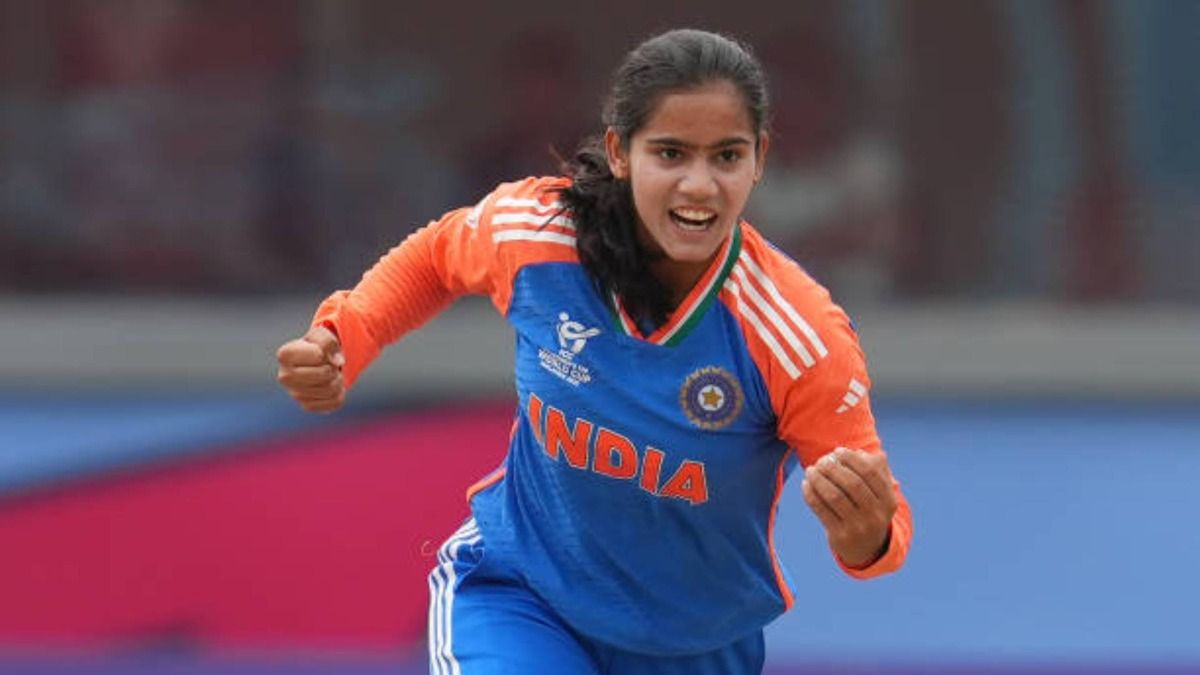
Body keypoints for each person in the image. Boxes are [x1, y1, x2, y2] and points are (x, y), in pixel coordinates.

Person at [276, 28, 912, 675]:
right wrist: (344, 336)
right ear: (619, 151)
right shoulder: (539, 235)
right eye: (670, 153)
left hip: (694, 646)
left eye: (726, 156)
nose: (699, 185)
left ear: (759, 159)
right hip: (522, 599)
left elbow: (884, 529)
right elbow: (438, 256)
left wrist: (864, 534)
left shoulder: (798, 334)